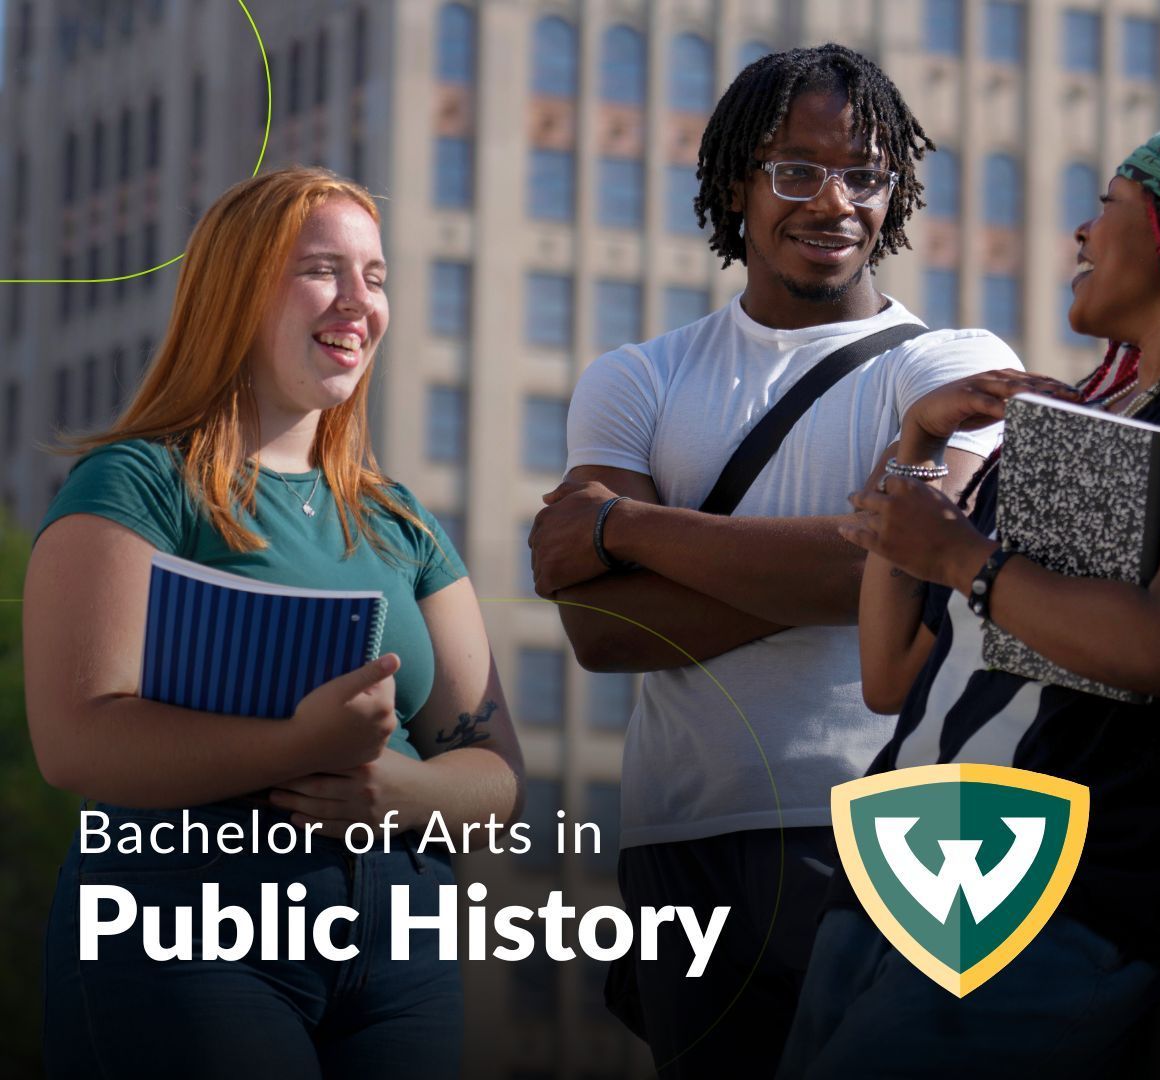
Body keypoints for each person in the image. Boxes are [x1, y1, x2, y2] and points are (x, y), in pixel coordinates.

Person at [778, 122, 1160, 1076]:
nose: (1081, 237)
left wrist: (966, 559)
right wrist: (919, 446)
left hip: (1045, 893)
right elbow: (895, 678)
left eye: (1108, 207)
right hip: (909, 868)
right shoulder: (1098, 422)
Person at [525, 44, 1041, 1077]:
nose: (834, 202)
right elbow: (603, 631)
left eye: (865, 174)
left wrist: (623, 532)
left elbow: (931, 555)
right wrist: (861, 561)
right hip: (680, 838)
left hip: (895, 828)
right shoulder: (637, 379)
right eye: (796, 170)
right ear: (735, 186)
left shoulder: (956, 364)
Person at [28, 167, 524, 1079]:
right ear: (237, 293)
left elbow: (495, 772)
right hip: (188, 921)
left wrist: (395, 793)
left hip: (401, 942)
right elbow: (75, 743)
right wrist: (299, 745)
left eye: (374, 277)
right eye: (322, 270)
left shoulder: (402, 522)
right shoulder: (136, 487)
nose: (358, 302)